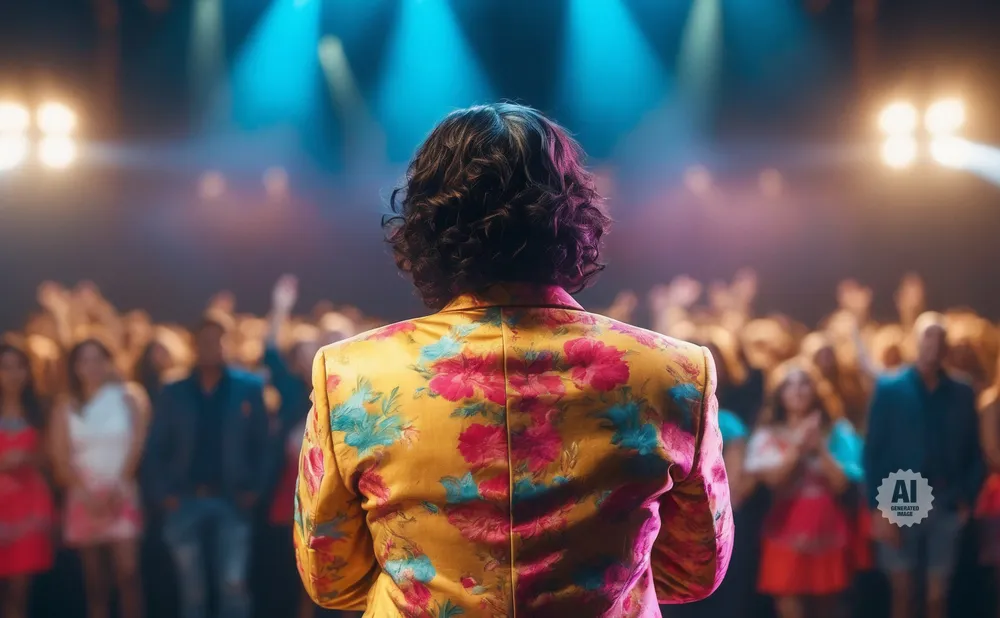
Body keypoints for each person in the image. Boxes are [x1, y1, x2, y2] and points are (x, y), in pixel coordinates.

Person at [293, 103, 733, 616]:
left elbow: (331, 578)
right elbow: (694, 568)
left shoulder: (350, 373)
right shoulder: (676, 371)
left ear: (427, 225)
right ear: (573, 217)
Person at [863, 312, 985, 618]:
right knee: (903, 592)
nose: (933, 346)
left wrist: (966, 497)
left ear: (947, 347)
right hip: (900, 495)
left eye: (940, 339)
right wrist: (878, 508)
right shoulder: (891, 388)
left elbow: (975, 450)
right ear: (915, 342)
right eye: (927, 338)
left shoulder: (962, 390)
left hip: (946, 497)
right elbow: (873, 451)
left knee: (937, 596)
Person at [147, 313, 269, 618]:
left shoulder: (248, 387)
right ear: (194, 345)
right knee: (192, 590)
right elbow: (155, 447)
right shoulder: (174, 391)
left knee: (233, 584)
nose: (211, 347)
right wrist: (165, 495)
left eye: (217, 340)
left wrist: (255, 489)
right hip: (184, 498)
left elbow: (264, 444)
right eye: (205, 341)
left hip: (232, 498)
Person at [745, 361, 862, 618]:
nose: (798, 391)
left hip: (827, 529)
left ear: (816, 390)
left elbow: (843, 483)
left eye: (804, 384)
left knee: (828, 609)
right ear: (780, 394)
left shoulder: (837, 432)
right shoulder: (767, 435)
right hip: (784, 530)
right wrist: (798, 449)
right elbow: (774, 480)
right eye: (790, 385)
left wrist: (820, 447)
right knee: (789, 609)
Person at [50, 338, 149, 618]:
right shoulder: (65, 406)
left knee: (128, 575)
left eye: (98, 359)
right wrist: (86, 494)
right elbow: (60, 455)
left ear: (109, 362)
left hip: (122, 492)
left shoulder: (130, 397)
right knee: (95, 581)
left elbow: (137, 445)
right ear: (75, 367)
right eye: (84, 361)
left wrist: (118, 487)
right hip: (83, 495)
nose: (91, 367)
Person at [0, 342, 55, 618]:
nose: (13, 374)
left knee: (20, 590)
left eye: (19, 366)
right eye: (5, 366)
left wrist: (28, 459)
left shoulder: (39, 409)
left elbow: (50, 459)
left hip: (28, 506)